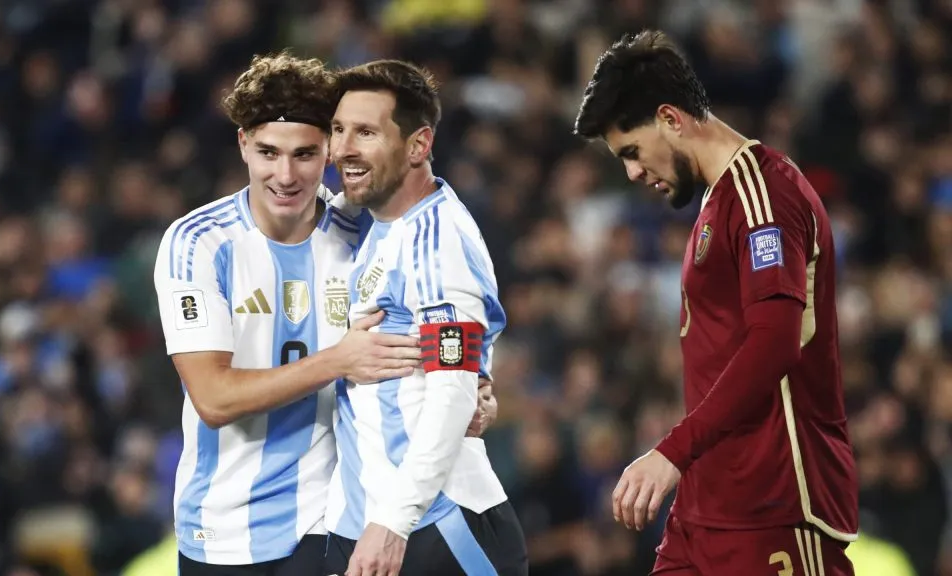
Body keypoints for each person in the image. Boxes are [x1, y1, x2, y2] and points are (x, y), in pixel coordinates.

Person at [152, 53, 496, 576]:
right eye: (268, 152)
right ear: (243, 143)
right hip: (220, 527)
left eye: (306, 154)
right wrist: (338, 360)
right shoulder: (198, 243)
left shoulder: (362, 232)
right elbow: (214, 398)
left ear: (330, 151)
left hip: (326, 520)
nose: (285, 175)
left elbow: (446, 299)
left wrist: (478, 381)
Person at [572, 30, 858, 575]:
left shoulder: (763, 194)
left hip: (774, 504)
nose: (631, 172)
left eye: (632, 151)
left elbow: (774, 343)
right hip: (707, 508)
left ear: (671, 119)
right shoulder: (717, 200)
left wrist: (672, 451)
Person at [322, 59, 528, 576]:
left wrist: (395, 520)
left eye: (366, 132)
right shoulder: (382, 226)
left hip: (435, 525)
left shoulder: (435, 241)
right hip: (378, 521)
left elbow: (452, 390)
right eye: (339, 130)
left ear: (418, 146)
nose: (343, 148)